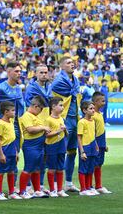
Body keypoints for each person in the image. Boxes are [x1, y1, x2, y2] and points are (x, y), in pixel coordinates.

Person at [51, 56, 81, 192]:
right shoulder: (59, 81)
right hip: (64, 119)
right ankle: (57, 184)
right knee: (61, 152)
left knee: (72, 152)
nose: (72, 64)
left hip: (75, 118)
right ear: (62, 66)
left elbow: (77, 97)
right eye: (68, 63)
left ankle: (68, 182)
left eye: (72, 62)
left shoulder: (76, 81)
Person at [0, 61, 25, 192]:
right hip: (4, 127)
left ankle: (13, 187)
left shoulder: (18, 88)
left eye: (20, 71)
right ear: (8, 72)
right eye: (16, 71)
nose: (19, 74)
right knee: (0, 158)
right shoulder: (1, 88)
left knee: (14, 156)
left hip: (17, 126)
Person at [24, 64, 52, 192]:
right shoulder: (31, 88)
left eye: (46, 72)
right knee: (32, 159)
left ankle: (39, 185)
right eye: (41, 72)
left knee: (44, 158)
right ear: (35, 74)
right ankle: (28, 186)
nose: (44, 75)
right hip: (36, 126)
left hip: (46, 126)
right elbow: (30, 107)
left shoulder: (49, 87)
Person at [18, 96, 49, 199]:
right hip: (31, 145)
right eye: (40, 109)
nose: (40, 112)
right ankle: (22, 191)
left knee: (37, 168)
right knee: (29, 168)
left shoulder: (35, 117)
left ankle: (37, 191)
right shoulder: (27, 116)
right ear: (36, 106)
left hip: (39, 146)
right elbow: (30, 129)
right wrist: (43, 127)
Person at [0, 101, 22, 200]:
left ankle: (11, 192)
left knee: (11, 171)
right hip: (4, 150)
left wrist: (16, 152)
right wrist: (0, 154)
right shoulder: (1, 123)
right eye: (13, 111)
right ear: (6, 112)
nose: (14, 113)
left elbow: (12, 138)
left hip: (12, 150)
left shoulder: (11, 121)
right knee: (1, 171)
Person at [44, 97, 69, 198]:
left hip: (61, 145)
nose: (63, 107)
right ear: (53, 107)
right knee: (52, 168)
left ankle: (60, 189)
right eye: (61, 105)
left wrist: (65, 130)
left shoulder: (62, 119)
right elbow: (46, 135)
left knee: (60, 168)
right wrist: (58, 131)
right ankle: (52, 190)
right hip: (51, 146)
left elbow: (66, 134)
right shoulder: (48, 120)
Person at [92, 92, 112, 194]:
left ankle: (98, 186)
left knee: (99, 164)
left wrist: (104, 144)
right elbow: (92, 132)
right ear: (95, 102)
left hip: (101, 144)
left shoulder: (100, 114)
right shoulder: (92, 116)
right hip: (96, 144)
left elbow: (101, 130)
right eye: (102, 101)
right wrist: (95, 144)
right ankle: (91, 186)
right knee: (93, 164)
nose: (104, 103)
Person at [77, 101, 99, 196]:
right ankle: (83, 189)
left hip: (92, 146)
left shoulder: (93, 121)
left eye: (93, 108)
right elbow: (79, 137)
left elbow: (92, 134)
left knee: (90, 168)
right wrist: (82, 151)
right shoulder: (81, 122)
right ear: (84, 110)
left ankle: (89, 187)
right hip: (85, 147)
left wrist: (96, 144)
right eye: (91, 108)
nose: (93, 110)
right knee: (83, 168)